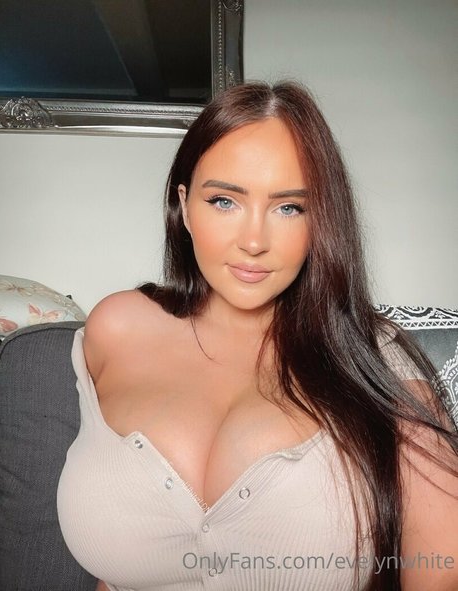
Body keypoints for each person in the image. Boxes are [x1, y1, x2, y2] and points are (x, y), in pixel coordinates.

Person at [57, 81, 457, 591]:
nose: (253, 241)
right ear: (185, 205)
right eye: (224, 200)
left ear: (321, 222)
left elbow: (441, 572)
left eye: (289, 208)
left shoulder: (375, 357)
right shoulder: (116, 329)